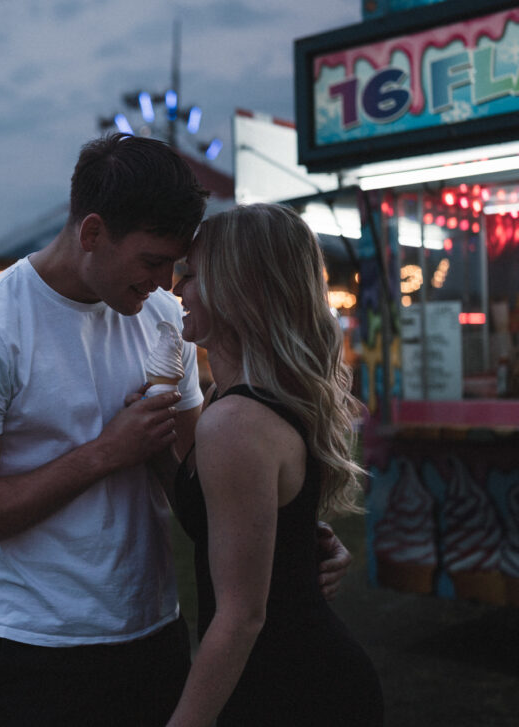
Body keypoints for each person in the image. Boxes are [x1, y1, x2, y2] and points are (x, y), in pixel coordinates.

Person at [0, 135, 351, 726]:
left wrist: (289, 537)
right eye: (151, 261)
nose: (167, 282)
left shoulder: (164, 319)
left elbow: (207, 480)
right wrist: (103, 455)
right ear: (91, 233)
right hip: (38, 649)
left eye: (177, 264)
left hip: (157, 634)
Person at [161, 203, 383, 726]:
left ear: (237, 287)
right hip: (279, 675)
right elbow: (227, 511)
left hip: (293, 689)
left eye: (190, 276)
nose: (175, 291)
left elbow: (240, 618)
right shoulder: (229, 397)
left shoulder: (235, 420)